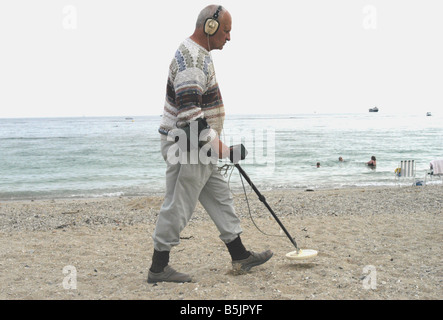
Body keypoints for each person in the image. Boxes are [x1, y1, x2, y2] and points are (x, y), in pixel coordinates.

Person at [149, 5, 273, 284]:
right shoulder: (192, 60)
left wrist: (217, 146)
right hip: (187, 145)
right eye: (226, 31)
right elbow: (191, 118)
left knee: (220, 197)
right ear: (210, 27)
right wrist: (226, 151)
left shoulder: (199, 54)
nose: (229, 37)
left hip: (198, 146)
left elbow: (199, 117)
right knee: (178, 205)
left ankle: (240, 256)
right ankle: (158, 268)